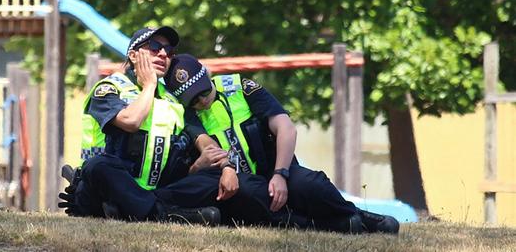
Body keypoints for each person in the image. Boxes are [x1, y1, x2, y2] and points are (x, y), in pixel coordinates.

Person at [163, 54, 400, 234]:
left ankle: (355, 215)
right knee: (250, 194)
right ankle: (332, 225)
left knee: (310, 184)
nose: (201, 101)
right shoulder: (187, 116)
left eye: (202, 92)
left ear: (208, 74)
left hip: (275, 169)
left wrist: (280, 174)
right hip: (241, 185)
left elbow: (285, 127)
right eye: (192, 99)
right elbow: (205, 148)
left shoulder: (242, 88)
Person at [58, 27, 270, 226]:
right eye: (154, 48)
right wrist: (149, 84)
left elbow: (204, 141)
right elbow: (131, 122)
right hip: (106, 188)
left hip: (157, 191)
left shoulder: (173, 99)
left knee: (213, 179)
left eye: (169, 51)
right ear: (133, 55)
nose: (163, 55)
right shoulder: (109, 88)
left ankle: (139, 210)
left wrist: (225, 167)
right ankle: (166, 215)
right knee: (99, 166)